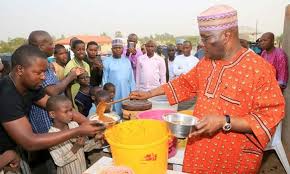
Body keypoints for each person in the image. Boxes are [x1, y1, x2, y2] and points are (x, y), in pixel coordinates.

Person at [130, 4, 285, 173]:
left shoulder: (259, 69)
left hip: (233, 158)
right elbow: (184, 83)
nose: (203, 45)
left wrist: (225, 121)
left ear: (227, 35)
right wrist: (149, 93)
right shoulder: (206, 63)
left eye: (206, 38)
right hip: (200, 150)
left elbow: (270, 115)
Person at [0, 45, 103, 158]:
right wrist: (78, 130)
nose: (43, 77)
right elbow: (29, 142)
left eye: (44, 72)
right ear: (20, 69)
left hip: (14, 147)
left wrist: (88, 123)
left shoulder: (31, 86)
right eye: (38, 73)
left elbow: (57, 107)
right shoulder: (6, 95)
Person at [28, 31, 85, 134]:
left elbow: (55, 85)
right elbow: (52, 91)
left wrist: (68, 76)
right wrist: (71, 77)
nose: (53, 46)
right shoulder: (38, 66)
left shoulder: (47, 63)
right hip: (47, 123)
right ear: (41, 46)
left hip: (57, 117)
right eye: (50, 44)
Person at [47, 96, 104, 174]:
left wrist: (95, 140)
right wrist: (75, 147)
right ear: (52, 114)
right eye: (66, 111)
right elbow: (59, 162)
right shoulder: (51, 135)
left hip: (82, 169)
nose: (70, 114)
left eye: (71, 110)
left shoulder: (74, 125)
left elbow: (84, 148)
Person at [102, 38, 135, 116]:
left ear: (123, 49)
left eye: (119, 48)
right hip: (113, 92)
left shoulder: (127, 61)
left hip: (126, 92)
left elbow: (131, 79)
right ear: (112, 49)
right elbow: (104, 79)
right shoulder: (106, 61)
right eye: (115, 48)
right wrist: (106, 94)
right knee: (114, 112)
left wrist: (133, 92)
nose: (117, 50)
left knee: (126, 111)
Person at [64, 40, 91, 109]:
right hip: (76, 100)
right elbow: (67, 88)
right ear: (73, 50)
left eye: (83, 49)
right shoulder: (70, 66)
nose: (81, 52)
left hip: (87, 98)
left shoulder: (86, 65)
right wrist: (71, 105)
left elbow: (88, 83)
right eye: (78, 50)